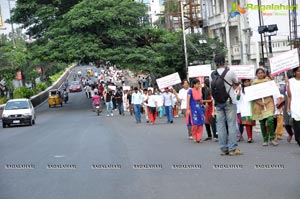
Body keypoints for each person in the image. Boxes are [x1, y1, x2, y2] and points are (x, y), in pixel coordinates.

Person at [210, 54, 243, 156]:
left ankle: (223, 148)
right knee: (231, 124)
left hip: (218, 102)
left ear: (215, 63)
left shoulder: (212, 74)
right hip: (229, 101)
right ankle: (233, 149)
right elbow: (236, 82)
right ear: (224, 61)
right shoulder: (230, 72)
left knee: (220, 126)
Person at [252, 68, 278, 146]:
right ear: (256, 74)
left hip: (268, 102)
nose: (260, 74)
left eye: (262, 73)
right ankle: (265, 139)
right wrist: (260, 102)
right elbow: (252, 96)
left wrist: (272, 103)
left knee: (270, 120)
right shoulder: (254, 84)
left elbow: (272, 92)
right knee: (262, 122)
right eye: (259, 73)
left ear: (264, 73)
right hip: (259, 104)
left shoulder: (268, 82)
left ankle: (272, 138)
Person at [287, 66, 300, 147]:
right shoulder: (291, 81)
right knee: (298, 136)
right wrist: (288, 107)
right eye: (298, 71)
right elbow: (289, 96)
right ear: (294, 72)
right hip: (295, 108)